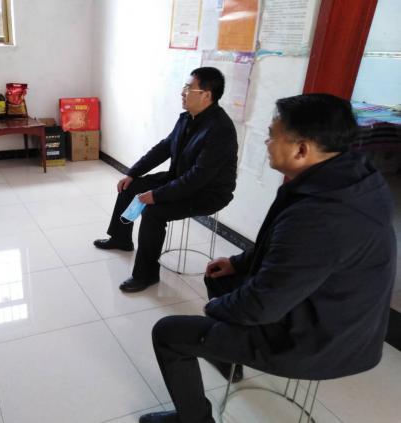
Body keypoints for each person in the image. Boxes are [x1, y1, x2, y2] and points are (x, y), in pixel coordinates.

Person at [140, 93, 397, 423]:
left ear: (301, 150)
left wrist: (214, 309)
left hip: (323, 339)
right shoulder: (350, 178)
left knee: (169, 333)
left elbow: (262, 304)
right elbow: (285, 250)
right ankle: (225, 354)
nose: (266, 142)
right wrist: (239, 263)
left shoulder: (320, 216)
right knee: (220, 274)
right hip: (335, 312)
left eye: (273, 135)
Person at [93, 67, 238, 293]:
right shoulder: (187, 118)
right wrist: (133, 172)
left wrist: (157, 195)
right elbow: (164, 148)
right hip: (180, 179)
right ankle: (121, 238)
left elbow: (197, 178)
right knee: (131, 187)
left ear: (206, 95)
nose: (182, 92)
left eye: (188, 88)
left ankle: (146, 275)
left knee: (153, 212)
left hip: (207, 193)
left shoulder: (220, 130)